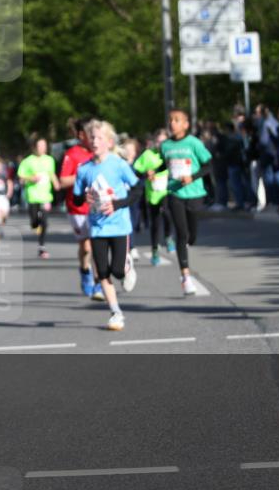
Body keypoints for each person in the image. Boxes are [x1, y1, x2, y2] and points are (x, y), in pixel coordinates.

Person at [73, 120, 142, 331]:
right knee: (102, 271)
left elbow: (138, 190)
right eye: (92, 137)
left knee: (117, 272)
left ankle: (126, 265)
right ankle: (116, 313)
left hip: (119, 225)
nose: (94, 141)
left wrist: (117, 204)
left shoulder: (118, 164)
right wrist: (84, 198)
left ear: (109, 142)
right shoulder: (84, 169)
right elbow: (76, 199)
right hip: (97, 227)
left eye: (99, 138)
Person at [160, 109, 212, 296]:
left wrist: (192, 177)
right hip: (174, 193)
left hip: (195, 192)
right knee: (181, 234)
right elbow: (161, 166)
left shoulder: (194, 143)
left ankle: (189, 241)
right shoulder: (165, 146)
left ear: (186, 124)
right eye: (170, 120)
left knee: (191, 235)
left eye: (177, 120)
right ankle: (185, 277)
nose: (172, 123)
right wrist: (152, 173)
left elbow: (208, 165)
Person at [59, 118, 102, 300]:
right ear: (81, 134)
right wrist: (83, 174)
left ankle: (99, 283)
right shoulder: (72, 154)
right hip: (77, 208)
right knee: (85, 247)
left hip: (98, 207)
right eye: (89, 132)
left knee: (97, 245)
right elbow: (63, 181)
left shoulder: (100, 152)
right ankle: (85, 270)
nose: (93, 136)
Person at [133, 129, 174, 266]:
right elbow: (136, 171)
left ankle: (168, 237)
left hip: (167, 191)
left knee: (167, 213)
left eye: (164, 141)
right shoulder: (147, 155)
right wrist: (146, 173)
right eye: (158, 141)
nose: (161, 144)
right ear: (154, 141)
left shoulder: (169, 154)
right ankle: (155, 250)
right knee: (155, 223)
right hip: (153, 193)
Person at [17, 136, 59, 259]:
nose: (42, 148)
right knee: (35, 222)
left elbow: (51, 173)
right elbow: (21, 177)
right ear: (34, 147)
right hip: (32, 196)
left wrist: (56, 183)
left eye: (44, 146)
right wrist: (31, 178)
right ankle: (34, 223)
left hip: (46, 196)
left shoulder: (49, 160)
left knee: (45, 222)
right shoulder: (27, 161)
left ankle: (42, 247)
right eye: (40, 146)